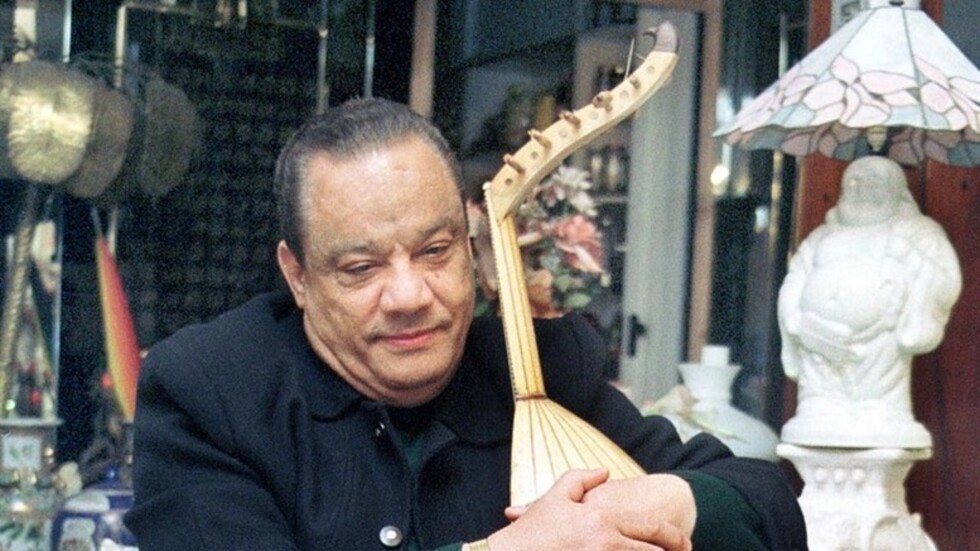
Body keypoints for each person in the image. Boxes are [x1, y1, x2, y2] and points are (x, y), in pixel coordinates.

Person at [125, 97, 807, 550]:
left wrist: (656, 505)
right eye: (361, 267)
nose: (409, 295)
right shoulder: (210, 392)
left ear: (472, 246)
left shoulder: (535, 370)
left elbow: (767, 504)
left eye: (434, 251)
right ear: (297, 274)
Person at [778, 155, 961, 448]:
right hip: (817, 346)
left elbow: (944, 281)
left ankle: (876, 408)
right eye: (854, 182)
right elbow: (795, 277)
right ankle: (822, 406)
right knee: (820, 405)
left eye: (874, 182)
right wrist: (793, 319)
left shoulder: (917, 233)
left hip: (880, 350)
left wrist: (909, 256)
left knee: (876, 403)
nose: (862, 189)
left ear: (896, 190)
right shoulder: (822, 236)